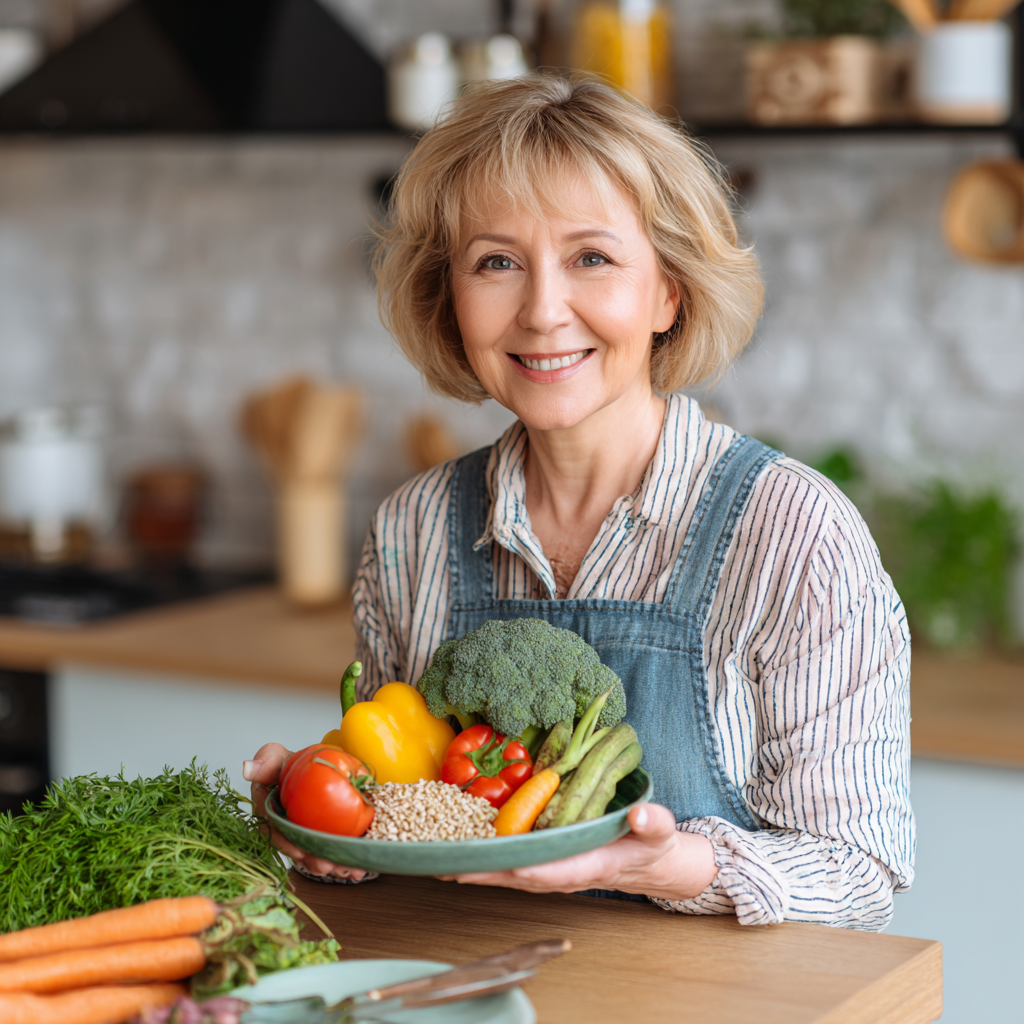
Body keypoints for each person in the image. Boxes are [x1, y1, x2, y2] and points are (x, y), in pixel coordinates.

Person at [244, 74, 913, 929]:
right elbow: (413, 829)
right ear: (449, 299)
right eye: (496, 263)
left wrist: (673, 867)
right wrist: (326, 830)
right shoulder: (411, 532)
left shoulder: (790, 534)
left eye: (591, 257)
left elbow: (859, 876)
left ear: (668, 291)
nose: (543, 311)